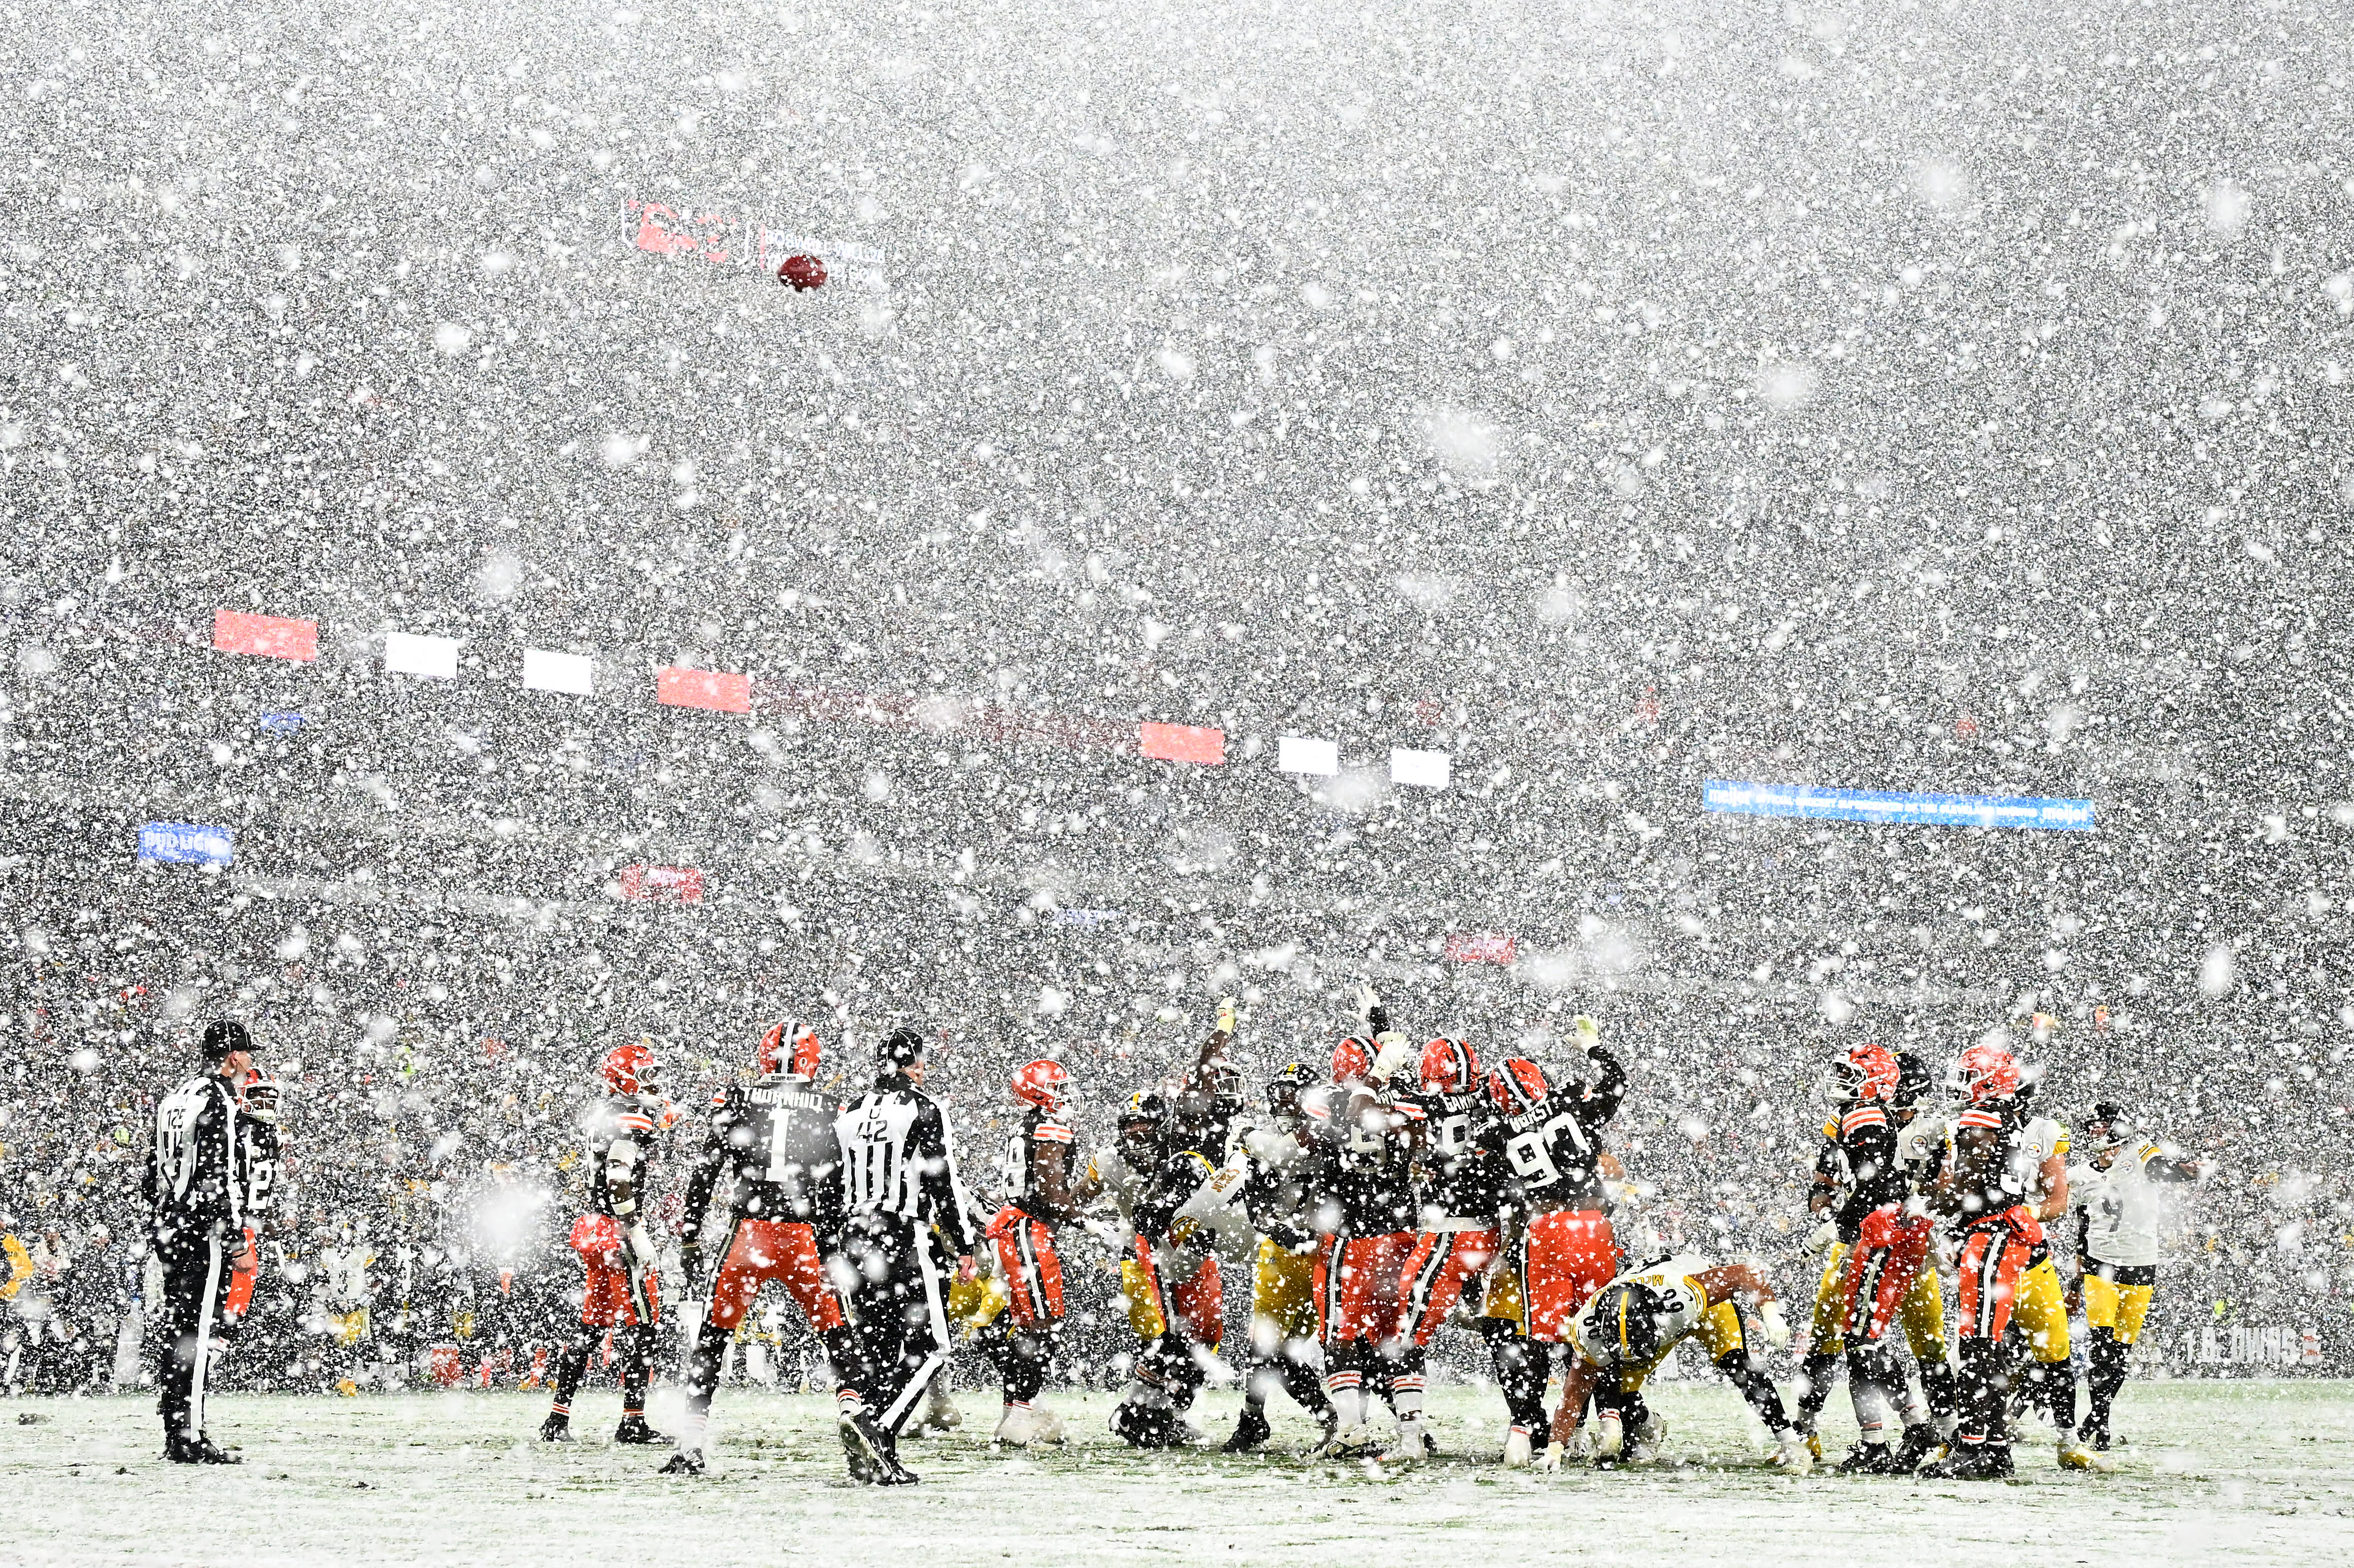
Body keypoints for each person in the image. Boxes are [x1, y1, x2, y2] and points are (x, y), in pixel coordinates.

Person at [666, 1020, 880, 1477]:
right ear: (811, 1060)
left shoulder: (737, 1100)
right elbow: (839, 1186)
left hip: (749, 1234)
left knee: (713, 1337)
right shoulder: (830, 1108)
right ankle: (851, 1408)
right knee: (838, 1334)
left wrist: (689, 1233)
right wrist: (834, 1244)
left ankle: (691, 1441)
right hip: (803, 1235)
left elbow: (706, 1171)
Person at [834, 1026, 982, 1483]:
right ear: (912, 1063)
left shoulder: (850, 1110)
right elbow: (942, 1179)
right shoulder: (924, 1107)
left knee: (877, 1348)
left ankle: (877, 1453)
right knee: (933, 1349)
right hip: (903, 1235)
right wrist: (963, 1243)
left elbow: (831, 1180)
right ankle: (879, 1429)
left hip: (854, 1236)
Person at [1541, 1252, 1810, 1473]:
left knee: (1739, 1367)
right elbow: (1574, 1394)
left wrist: (1770, 1311)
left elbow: (1746, 1273)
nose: (1632, 1357)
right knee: (1617, 1384)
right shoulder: (1589, 1329)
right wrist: (1555, 1448)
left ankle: (1791, 1443)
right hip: (1646, 1318)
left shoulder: (1685, 1297)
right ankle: (1648, 1428)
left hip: (1702, 1309)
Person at [1488, 1017, 1625, 1445]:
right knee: (1600, 1326)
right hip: (1592, 1224)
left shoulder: (1497, 1132)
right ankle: (1610, 1417)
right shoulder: (1569, 1099)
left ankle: (1525, 1428)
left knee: (1541, 1335)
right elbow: (1615, 1084)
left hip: (1545, 1229)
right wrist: (1594, 1047)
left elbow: (1494, 1190)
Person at [1304, 1004, 1425, 1459]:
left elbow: (1312, 1144)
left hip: (1351, 1236)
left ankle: (1351, 1427)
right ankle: (1411, 1436)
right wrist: (1382, 1027)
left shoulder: (1334, 1102)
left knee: (1341, 1336)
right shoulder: (1405, 1100)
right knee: (1398, 1334)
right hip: (1400, 1232)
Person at [542, 1038, 672, 1447]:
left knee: (592, 1324)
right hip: (617, 1230)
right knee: (644, 1325)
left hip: (594, 1224)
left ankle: (557, 1417)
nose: (653, 1083)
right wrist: (635, 1228)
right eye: (646, 1075)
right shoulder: (633, 1117)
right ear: (625, 1078)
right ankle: (632, 1421)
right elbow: (618, 1173)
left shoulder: (604, 1113)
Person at [1818, 1042, 1940, 1473]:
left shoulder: (1867, 1115)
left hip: (1884, 1234)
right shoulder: (1863, 1113)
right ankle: (1877, 1440)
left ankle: (1917, 1424)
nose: (1841, 1081)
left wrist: (1838, 1224)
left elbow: (1872, 1184)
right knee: (1859, 1342)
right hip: (1886, 1230)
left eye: (1851, 1073)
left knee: (1863, 1340)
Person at [144, 1018, 256, 1463]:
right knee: (197, 1333)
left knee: (178, 1330)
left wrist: (160, 1221)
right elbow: (220, 1176)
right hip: (200, 1231)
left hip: (171, 1225)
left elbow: (154, 1167)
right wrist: (234, 1240)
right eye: (247, 1056)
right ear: (232, 1057)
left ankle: (176, 1426)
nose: (250, 1065)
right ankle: (187, 1434)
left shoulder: (176, 1098)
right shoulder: (218, 1099)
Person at [1396, 1036, 1511, 1462]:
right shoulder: (1489, 1099)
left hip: (1448, 1231)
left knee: (1405, 1334)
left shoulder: (1419, 1103)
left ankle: (1410, 1440)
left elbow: (1368, 1110)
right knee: (1511, 1333)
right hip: (1495, 1232)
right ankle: (1536, 1427)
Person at [2068, 1103, 2204, 1451]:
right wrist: (2076, 1278)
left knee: (2121, 1351)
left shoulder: (2140, 1153)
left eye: (2100, 1124)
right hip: (2102, 1263)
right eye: (2092, 1125)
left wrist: (2185, 1171)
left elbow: (2161, 1170)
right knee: (2102, 1348)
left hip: (2141, 1262)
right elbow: (2082, 1229)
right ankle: (2101, 1421)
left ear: (2118, 1127)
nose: (2094, 1131)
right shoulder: (2081, 1174)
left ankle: (2096, 1417)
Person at [982, 1056, 1101, 1446]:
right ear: (1042, 1092)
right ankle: (1021, 1415)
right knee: (1042, 1327)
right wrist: (1085, 1220)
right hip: (1028, 1231)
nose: (1067, 1096)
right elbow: (1051, 1191)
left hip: (1013, 1226)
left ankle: (1013, 1412)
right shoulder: (1050, 1126)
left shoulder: (1025, 1125)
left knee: (1019, 1325)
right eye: (1060, 1088)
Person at [1220, 1063, 1335, 1452]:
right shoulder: (1266, 1140)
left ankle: (1382, 1420)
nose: (1283, 1102)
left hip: (1329, 1252)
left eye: (1292, 1094)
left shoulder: (1329, 1132)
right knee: (1266, 1348)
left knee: (1348, 1343)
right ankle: (1257, 1418)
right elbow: (1256, 1202)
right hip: (1283, 1255)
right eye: (1280, 1093)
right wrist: (1281, 1230)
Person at [221, 1069, 284, 1346]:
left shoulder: (271, 1132)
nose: (265, 1102)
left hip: (250, 1223)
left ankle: (214, 1350)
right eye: (258, 1095)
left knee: (239, 1301)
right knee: (226, 1301)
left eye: (270, 1096)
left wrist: (267, 1230)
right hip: (234, 1221)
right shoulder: (236, 1129)